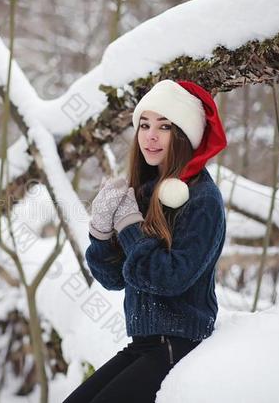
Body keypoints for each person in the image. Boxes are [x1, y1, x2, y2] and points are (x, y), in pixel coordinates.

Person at [63, 79, 228, 403]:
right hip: (145, 342)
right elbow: (112, 279)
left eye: (164, 126)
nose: (150, 135)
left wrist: (128, 225)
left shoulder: (202, 200)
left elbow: (167, 279)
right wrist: (101, 231)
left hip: (179, 343)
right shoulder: (144, 192)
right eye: (144, 124)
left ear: (184, 136)